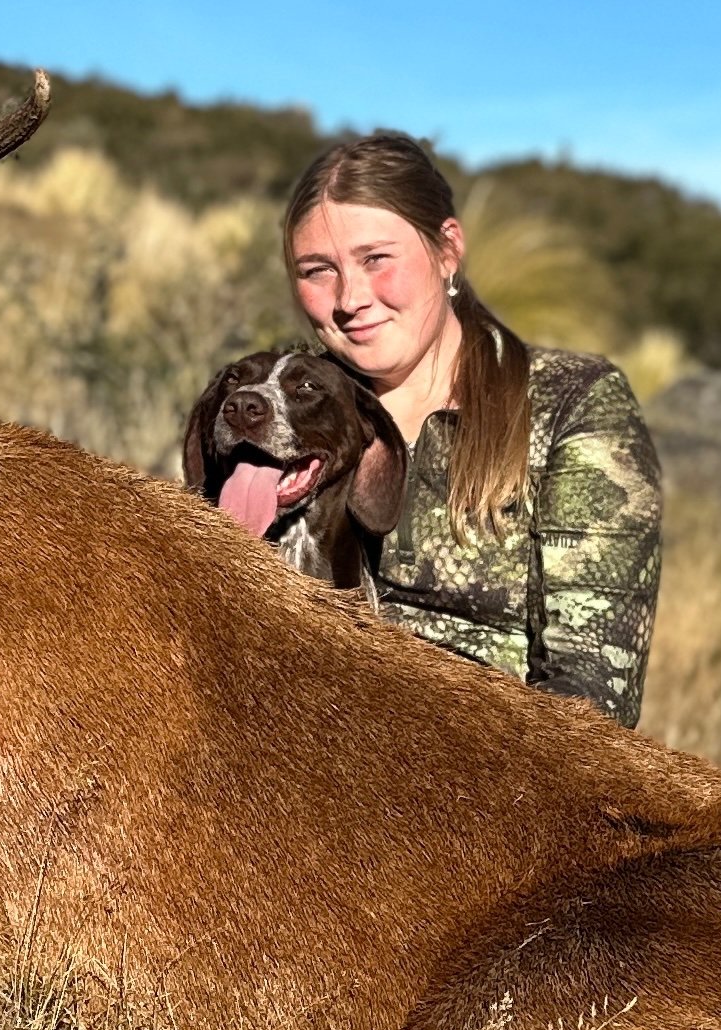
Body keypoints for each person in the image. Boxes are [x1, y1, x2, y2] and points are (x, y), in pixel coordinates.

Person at [253, 130, 663, 725]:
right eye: (318, 271)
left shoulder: (572, 405)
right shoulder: (285, 407)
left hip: (487, 787)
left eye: (376, 259)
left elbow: (593, 703)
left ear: (447, 250)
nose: (349, 299)